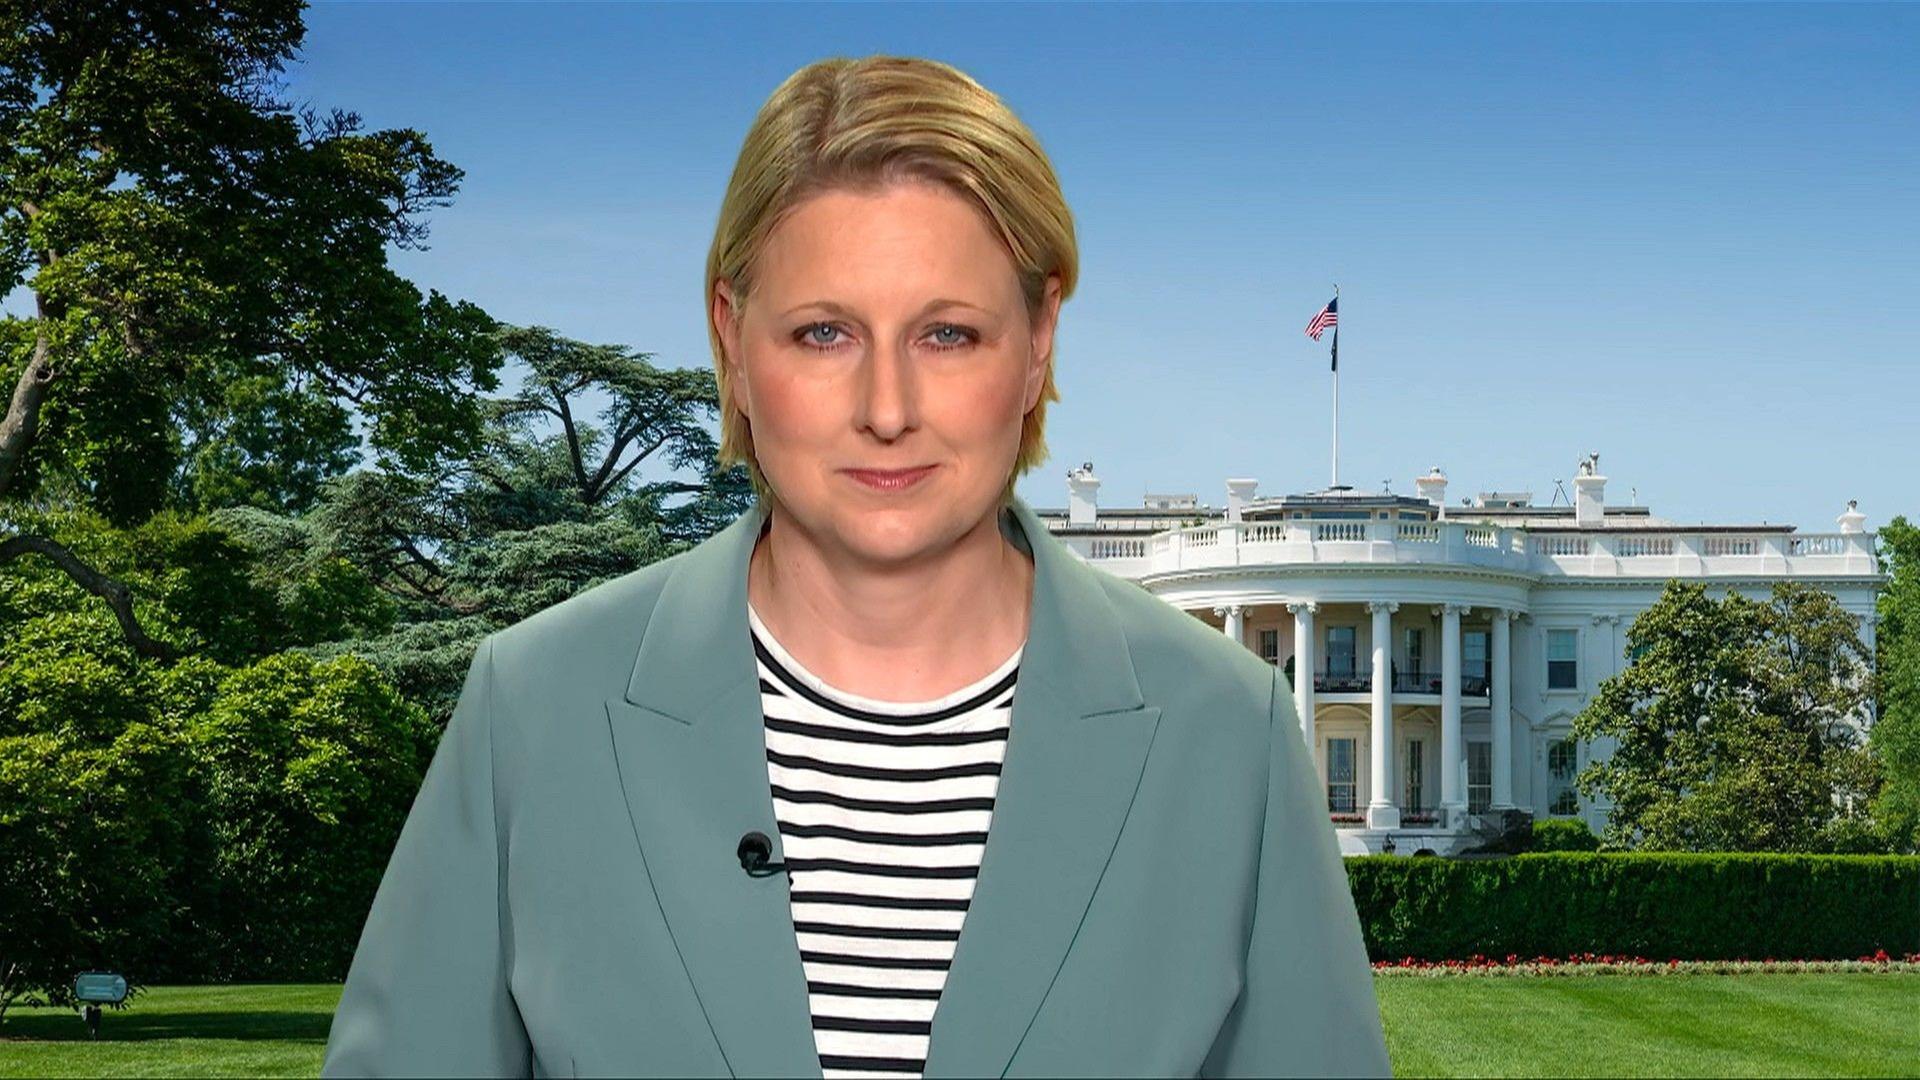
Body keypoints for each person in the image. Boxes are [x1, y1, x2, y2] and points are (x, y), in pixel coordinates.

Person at [321, 53, 1390, 1079]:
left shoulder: (1227, 735)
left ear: (1038, 341)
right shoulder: (534, 708)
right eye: (825, 333)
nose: (887, 410)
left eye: (948, 335)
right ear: (733, 340)